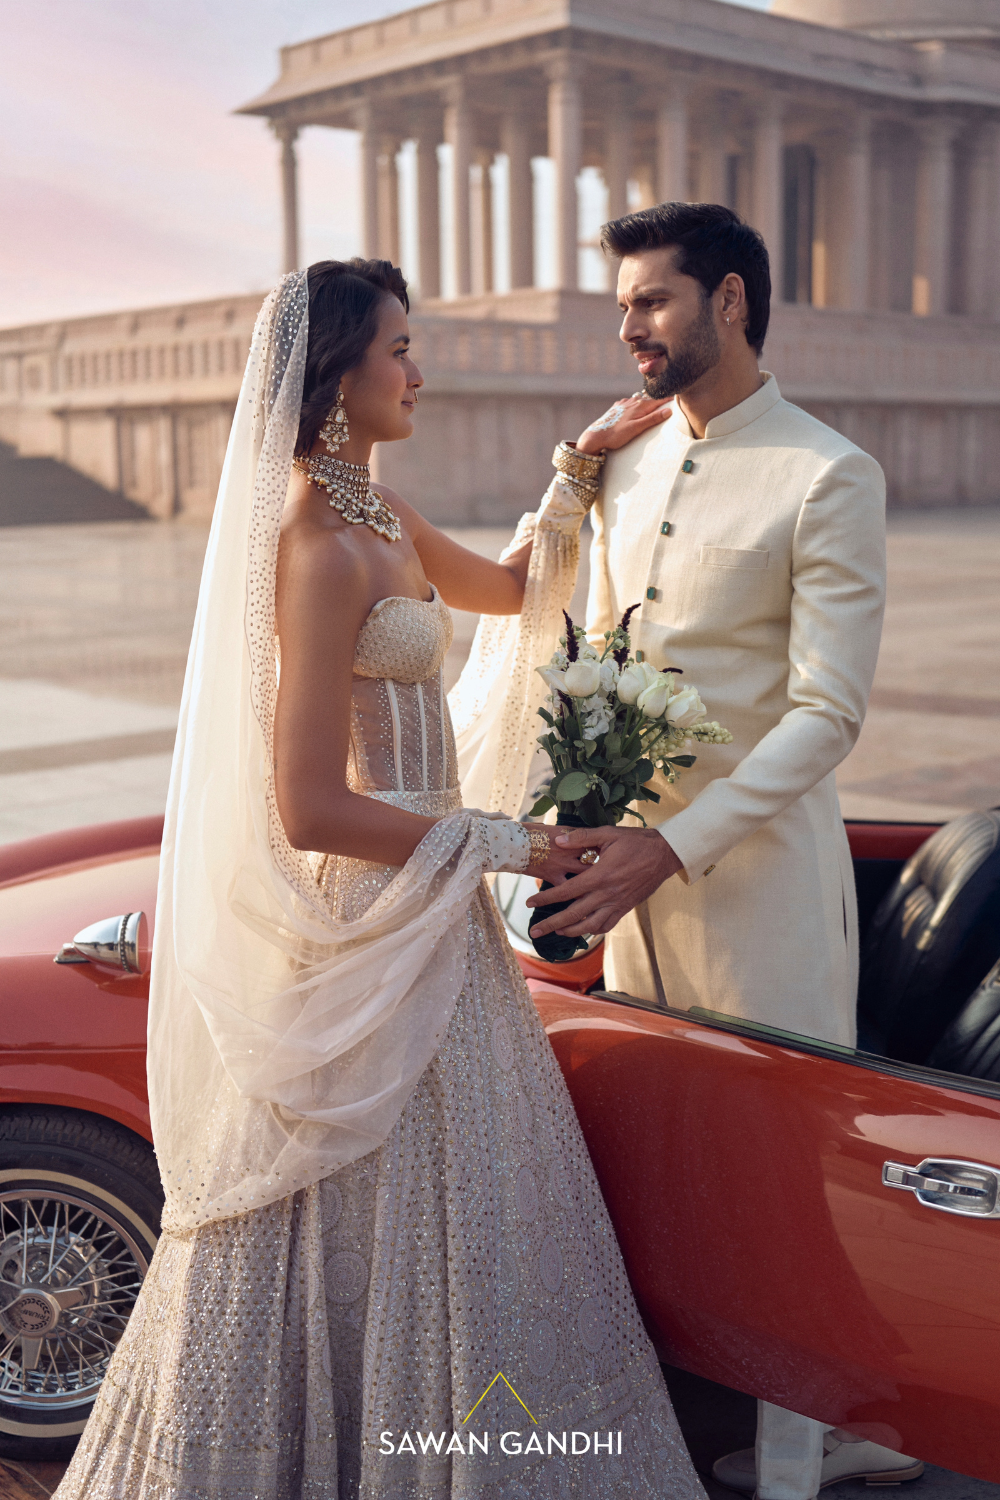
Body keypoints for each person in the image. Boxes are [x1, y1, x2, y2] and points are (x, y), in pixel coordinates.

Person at [52, 259, 706, 1500]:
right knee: (335, 1195)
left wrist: (576, 467)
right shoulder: (314, 545)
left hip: (438, 908)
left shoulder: (383, 515)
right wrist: (497, 843)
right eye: (400, 348)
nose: (419, 370)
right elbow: (304, 805)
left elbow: (513, 595)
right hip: (368, 915)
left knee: (460, 1203)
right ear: (334, 375)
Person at [523, 204, 923, 1500]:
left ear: (732, 300)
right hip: (629, 899)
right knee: (676, 1179)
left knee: (782, 1191)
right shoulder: (628, 465)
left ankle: (807, 1469)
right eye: (624, 304)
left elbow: (829, 712)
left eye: (649, 302)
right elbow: (570, 640)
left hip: (760, 899)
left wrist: (672, 848)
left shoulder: (826, 472)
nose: (626, 327)